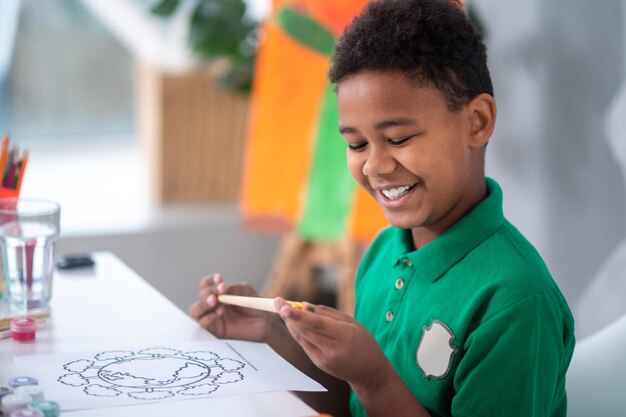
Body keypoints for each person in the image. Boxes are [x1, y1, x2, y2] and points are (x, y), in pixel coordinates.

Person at [188, 0, 576, 416]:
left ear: (476, 122)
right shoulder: (383, 252)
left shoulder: (515, 301)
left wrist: (373, 376)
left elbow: (371, 387)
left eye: (398, 139)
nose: (374, 165)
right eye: (356, 144)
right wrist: (270, 335)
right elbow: (353, 402)